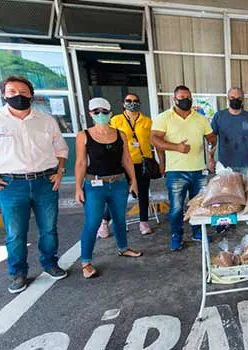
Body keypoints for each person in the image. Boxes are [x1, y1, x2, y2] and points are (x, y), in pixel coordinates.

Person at [0, 76, 69, 293]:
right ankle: (18, 272)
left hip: (45, 181)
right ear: (4, 95)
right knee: (15, 233)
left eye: (22, 91)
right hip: (11, 185)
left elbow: (61, 149)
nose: (17, 95)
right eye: (11, 92)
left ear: (31, 94)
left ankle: (50, 263)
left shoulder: (46, 120)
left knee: (48, 228)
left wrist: (60, 172)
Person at [75, 97, 142, 279]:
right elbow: (81, 162)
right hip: (95, 184)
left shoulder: (120, 134)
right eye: (96, 112)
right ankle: (86, 261)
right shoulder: (84, 136)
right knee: (93, 221)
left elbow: (126, 159)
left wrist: (133, 180)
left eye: (104, 112)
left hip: (118, 182)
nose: (101, 115)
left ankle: (123, 247)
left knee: (119, 218)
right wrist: (78, 187)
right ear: (90, 114)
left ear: (110, 113)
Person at [152, 85, 217, 251]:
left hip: (198, 170)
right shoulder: (164, 117)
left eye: (188, 97)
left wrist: (211, 142)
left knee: (198, 205)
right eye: (181, 98)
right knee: (176, 208)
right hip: (176, 171)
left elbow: (211, 136)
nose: (185, 100)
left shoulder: (200, 118)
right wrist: (176, 147)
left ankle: (197, 232)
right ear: (174, 99)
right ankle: (176, 236)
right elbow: (154, 140)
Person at [97, 93, 154, 238]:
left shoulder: (147, 121)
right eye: (129, 101)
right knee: (117, 194)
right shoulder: (116, 120)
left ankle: (143, 222)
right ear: (123, 104)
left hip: (142, 163)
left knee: (142, 193)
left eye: (135, 101)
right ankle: (104, 222)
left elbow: (154, 141)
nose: (132, 103)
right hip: (122, 164)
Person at [210, 87, 248, 229]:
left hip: (246, 161)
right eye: (232, 98)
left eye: (238, 98)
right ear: (228, 99)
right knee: (224, 193)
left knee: (246, 191)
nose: (235, 100)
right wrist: (210, 157)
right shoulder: (219, 116)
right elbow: (211, 138)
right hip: (225, 163)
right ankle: (224, 220)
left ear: (242, 99)